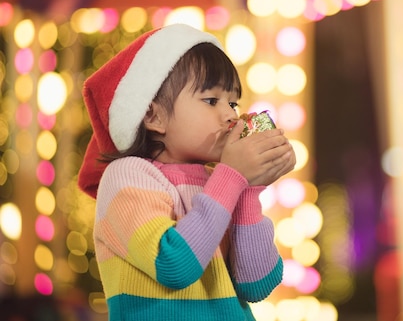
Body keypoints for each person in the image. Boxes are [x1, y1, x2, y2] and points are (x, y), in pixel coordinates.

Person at [77, 24, 296, 321]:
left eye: (233, 102)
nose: (231, 114)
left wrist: (250, 190)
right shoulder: (127, 175)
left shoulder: (218, 180)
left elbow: (256, 285)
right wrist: (232, 177)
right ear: (153, 115)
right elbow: (174, 265)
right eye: (211, 100)